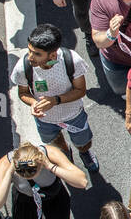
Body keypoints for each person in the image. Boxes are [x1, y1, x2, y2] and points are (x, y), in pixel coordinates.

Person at [12, 23, 98, 171]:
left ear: (52, 55)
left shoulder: (72, 60)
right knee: (56, 143)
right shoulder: (23, 67)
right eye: (30, 50)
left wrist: (55, 100)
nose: (30, 57)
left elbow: (80, 90)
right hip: (45, 120)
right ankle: (65, 154)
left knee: (83, 142)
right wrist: (33, 103)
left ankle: (84, 153)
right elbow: (23, 93)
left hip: (74, 114)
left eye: (37, 54)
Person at [0, 141, 89, 219]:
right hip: (26, 199)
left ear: (40, 163)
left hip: (53, 195)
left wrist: (50, 166)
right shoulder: (6, 162)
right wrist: (9, 172)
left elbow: (82, 181)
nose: (27, 176)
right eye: (22, 173)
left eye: (32, 172)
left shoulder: (50, 153)